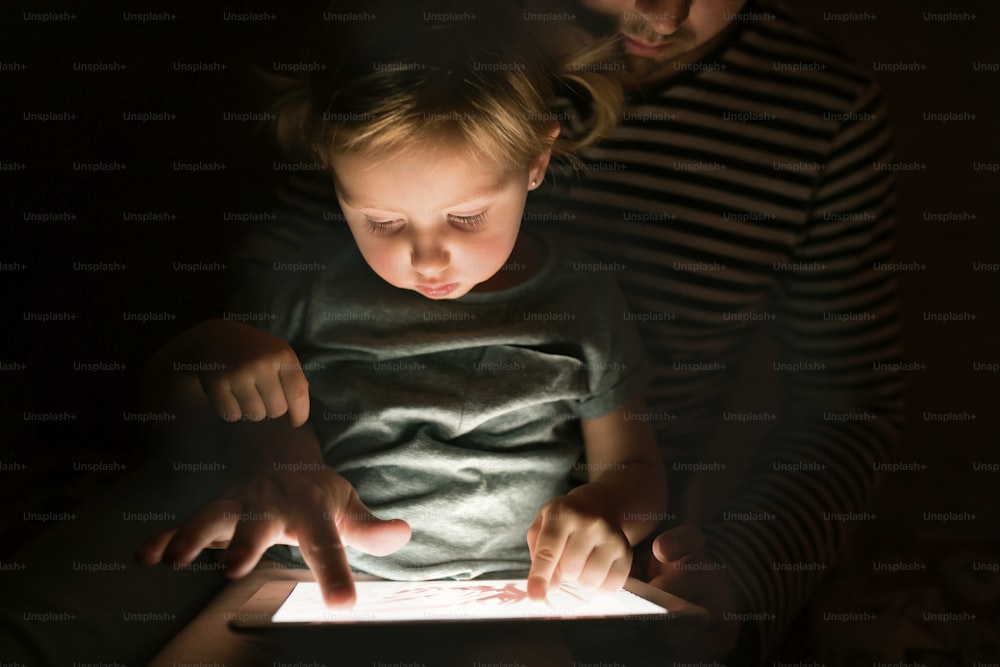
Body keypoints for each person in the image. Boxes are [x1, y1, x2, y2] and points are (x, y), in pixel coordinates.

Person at [227, 0, 904, 662]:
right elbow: (242, 346)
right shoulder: (414, 49)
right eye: (387, 223)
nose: (663, 17)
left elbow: (847, 407)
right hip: (312, 570)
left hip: (571, 588)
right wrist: (261, 444)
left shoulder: (819, 108)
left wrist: (738, 581)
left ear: (538, 159)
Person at [134, 1, 666, 664]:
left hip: (502, 598)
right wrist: (211, 348)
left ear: (536, 158)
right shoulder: (302, 289)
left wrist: (608, 510)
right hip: (307, 586)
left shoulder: (583, 301)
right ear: (332, 171)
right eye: (384, 222)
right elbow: (167, 405)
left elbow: (636, 466)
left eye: (467, 216)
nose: (427, 257)